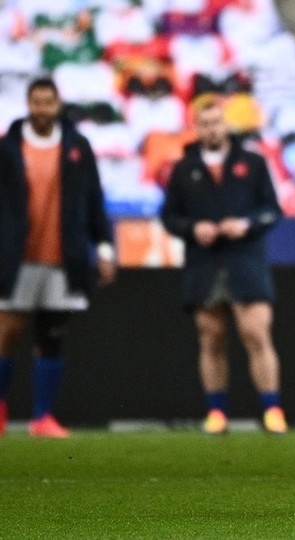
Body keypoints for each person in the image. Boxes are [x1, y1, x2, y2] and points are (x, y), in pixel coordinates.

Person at [160, 94, 287, 435]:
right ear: (195, 128)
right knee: (211, 338)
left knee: (256, 334)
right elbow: (169, 217)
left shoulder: (252, 162)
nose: (211, 129)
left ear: (226, 124)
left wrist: (245, 224)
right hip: (204, 263)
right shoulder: (184, 169)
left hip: (245, 260)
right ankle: (216, 412)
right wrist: (193, 229)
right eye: (204, 124)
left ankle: (272, 410)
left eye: (216, 122)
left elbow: (272, 210)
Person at [0, 76, 116, 438]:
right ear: (28, 104)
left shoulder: (77, 146)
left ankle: (42, 417)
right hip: (15, 258)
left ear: (58, 104)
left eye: (48, 102)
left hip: (63, 257)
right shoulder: (8, 147)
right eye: (36, 101)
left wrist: (104, 246)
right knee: (7, 333)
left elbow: (94, 198)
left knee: (51, 337)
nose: (42, 109)